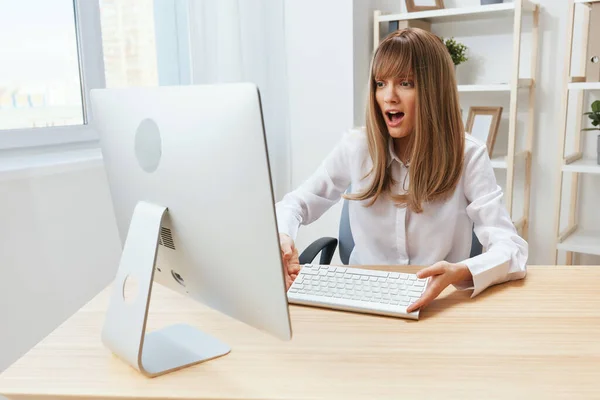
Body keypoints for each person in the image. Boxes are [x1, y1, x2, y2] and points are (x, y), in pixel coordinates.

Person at [275, 28, 528, 313]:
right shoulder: (356, 147)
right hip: (361, 299)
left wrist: (460, 271)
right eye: (380, 83)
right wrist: (283, 235)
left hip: (437, 305)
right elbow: (295, 204)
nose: (388, 96)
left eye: (405, 83)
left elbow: (511, 249)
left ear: (434, 90)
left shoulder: (468, 154)